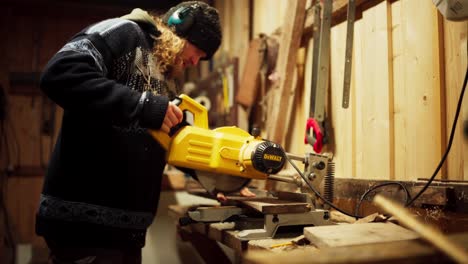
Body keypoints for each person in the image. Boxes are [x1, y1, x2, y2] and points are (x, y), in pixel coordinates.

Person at [35, 2, 222, 263]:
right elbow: (60, 73)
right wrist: (141, 105)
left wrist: (216, 179)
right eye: (198, 50)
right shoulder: (123, 33)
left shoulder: (164, 73)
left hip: (124, 232)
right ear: (178, 31)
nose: (195, 61)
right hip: (84, 228)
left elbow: (175, 139)